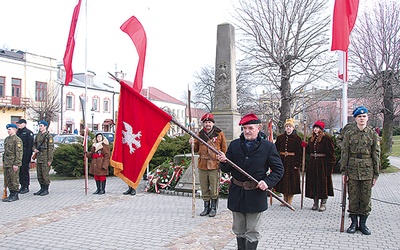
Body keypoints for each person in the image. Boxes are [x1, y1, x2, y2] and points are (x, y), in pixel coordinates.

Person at [217, 113, 284, 250]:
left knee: (253, 231)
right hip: (237, 193)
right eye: (244, 128)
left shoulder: (267, 147)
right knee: (239, 229)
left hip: (255, 194)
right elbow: (226, 168)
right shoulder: (235, 145)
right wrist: (223, 162)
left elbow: (278, 170)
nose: (247, 131)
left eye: (250, 128)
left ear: (258, 128)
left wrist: (267, 182)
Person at [340, 106, 380, 235]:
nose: (362, 119)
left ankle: (363, 224)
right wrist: (343, 171)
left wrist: (376, 174)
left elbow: (376, 154)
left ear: (367, 118)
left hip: (367, 169)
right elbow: (344, 152)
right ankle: (353, 223)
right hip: (352, 168)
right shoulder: (349, 133)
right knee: (353, 196)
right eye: (359, 117)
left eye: (364, 116)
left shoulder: (372, 134)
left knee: (365, 197)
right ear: (355, 119)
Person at [189, 113, 227, 217]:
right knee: (204, 186)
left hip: (214, 164)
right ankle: (206, 207)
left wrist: (222, 160)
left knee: (214, 187)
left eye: (209, 122)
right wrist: (192, 143)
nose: (207, 124)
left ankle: (213, 208)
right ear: (203, 124)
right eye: (206, 122)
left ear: (212, 123)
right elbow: (196, 149)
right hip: (202, 164)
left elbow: (224, 148)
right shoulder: (200, 134)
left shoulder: (219, 133)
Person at [303, 120, 336, 212]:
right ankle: (315, 202)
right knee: (314, 182)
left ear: (321, 129)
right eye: (314, 128)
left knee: (323, 183)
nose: (315, 129)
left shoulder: (326, 139)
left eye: (317, 128)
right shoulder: (311, 139)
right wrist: (305, 146)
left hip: (322, 163)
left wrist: (330, 165)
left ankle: (323, 203)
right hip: (313, 163)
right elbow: (310, 151)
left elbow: (331, 153)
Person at [274, 118, 302, 206]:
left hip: (292, 162)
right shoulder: (280, 138)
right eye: (287, 127)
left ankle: (290, 199)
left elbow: (299, 152)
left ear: (293, 128)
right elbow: (275, 149)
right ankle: (284, 198)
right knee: (283, 180)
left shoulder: (297, 138)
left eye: (290, 127)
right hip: (283, 161)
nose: (288, 128)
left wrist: (297, 163)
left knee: (291, 181)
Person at [33, 120, 54, 196]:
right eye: (39, 126)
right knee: (39, 174)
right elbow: (34, 144)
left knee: (45, 175)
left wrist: (49, 159)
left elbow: (50, 148)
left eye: (41, 126)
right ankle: (41, 188)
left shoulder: (48, 136)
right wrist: (34, 149)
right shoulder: (38, 135)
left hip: (45, 158)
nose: (40, 127)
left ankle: (46, 189)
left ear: (45, 127)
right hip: (39, 157)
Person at [2, 124, 23, 202]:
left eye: (9, 129)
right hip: (7, 162)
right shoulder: (7, 139)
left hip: (13, 162)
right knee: (8, 179)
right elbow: (5, 152)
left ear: (14, 130)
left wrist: (16, 164)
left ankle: (15, 194)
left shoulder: (17, 140)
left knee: (14, 178)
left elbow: (19, 153)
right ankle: (11, 193)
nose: (8, 131)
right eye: (7, 129)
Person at [16, 119, 34, 194]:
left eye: (20, 124)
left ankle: (26, 186)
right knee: (20, 171)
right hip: (19, 155)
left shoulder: (28, 133)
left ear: (24, 124)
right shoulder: (18, 132)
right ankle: (22, 185)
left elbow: (30, 146)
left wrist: (28, 156)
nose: (19, 125)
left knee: (25, 171)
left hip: (25, 155)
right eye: (18, 124)